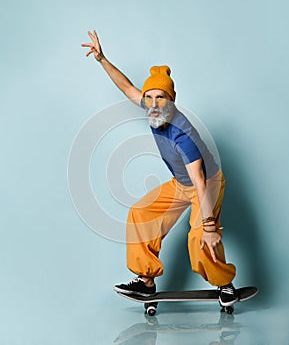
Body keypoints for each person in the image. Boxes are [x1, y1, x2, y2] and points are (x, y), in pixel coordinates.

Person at [82, 30, 238, 306]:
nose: (153, 104)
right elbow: (127, 87)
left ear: (171, 101)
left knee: (201, 239)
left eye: (160, 98)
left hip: (206, 182)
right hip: (181, 183)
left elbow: (200, 182)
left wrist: (210, 225)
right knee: (141, 214)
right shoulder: (151, 107)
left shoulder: (182, 135)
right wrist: (102, 59)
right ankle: (146, 283)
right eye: (149, 97)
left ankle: (225, 285)